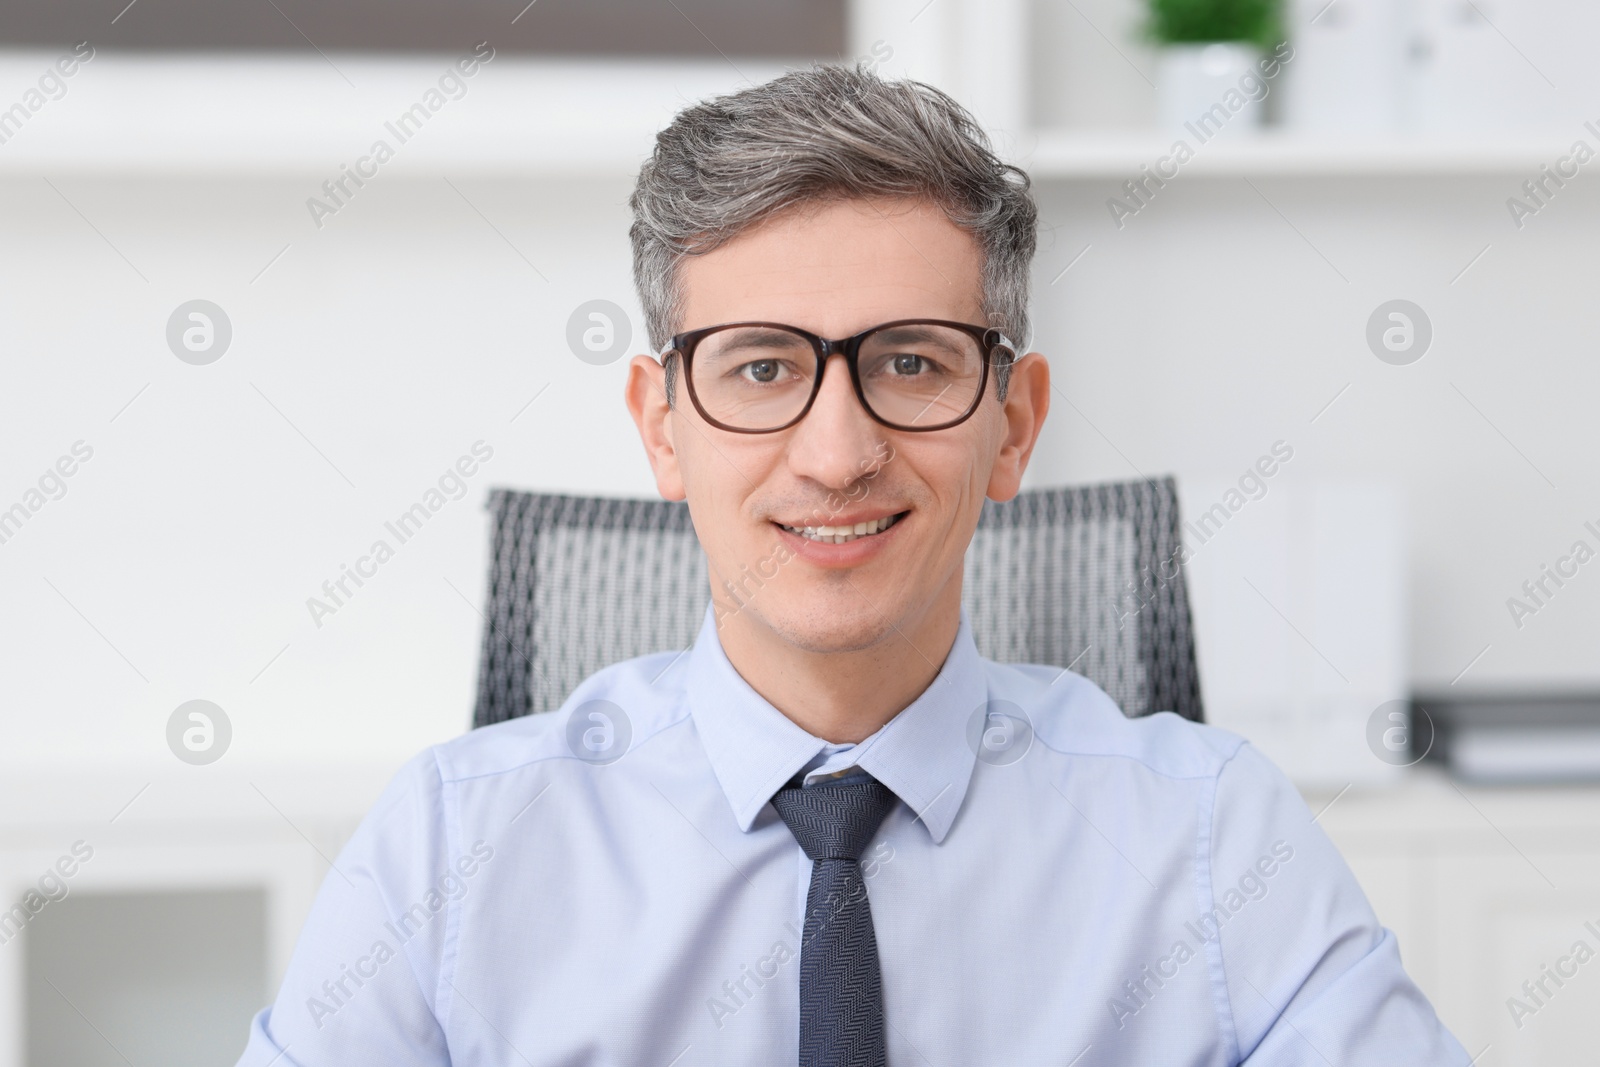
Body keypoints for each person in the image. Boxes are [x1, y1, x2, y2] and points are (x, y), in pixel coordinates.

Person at [237, 65, 1469, 1065]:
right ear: (663, 425)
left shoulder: (1210, 833)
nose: (837, 453)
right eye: (762, 366)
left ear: (1015, 423)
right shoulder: (452, 844)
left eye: (913, 362)